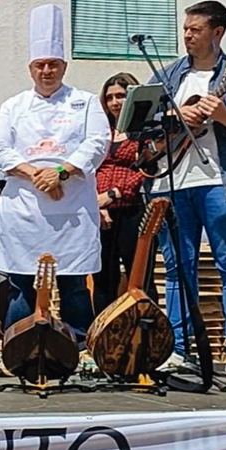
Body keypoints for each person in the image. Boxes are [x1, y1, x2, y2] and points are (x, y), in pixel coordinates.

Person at [150, 0, 226, 378]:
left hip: (224, 182)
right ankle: (178, 348)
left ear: (217, 32)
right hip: (172, 181)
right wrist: (172, 115)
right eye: (185, 28)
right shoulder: (168, 75)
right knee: (176, 268)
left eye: (196, 29)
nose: (187, 35)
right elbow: (138, 123)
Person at [0, 3, 109, 346]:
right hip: (25, 209)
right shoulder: (13, 106)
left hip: (72, 208)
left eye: (53, 64)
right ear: (30, 68)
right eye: (40, 65)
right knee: (21, 284)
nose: (47, 71)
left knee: (73, 285)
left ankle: (79, 347)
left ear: (64, 66)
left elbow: (98, 142)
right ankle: (17, 348)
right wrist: (37, 175)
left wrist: (61, 172)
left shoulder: (85, 102)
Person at [92, 72, 151, 312]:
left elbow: (147, 168)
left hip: (131, 210)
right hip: (101, 212)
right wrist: (98, 204)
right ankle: (103, 328)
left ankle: (144, 328)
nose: (115, 102)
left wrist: (115, 193)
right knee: (103, 278)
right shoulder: (100, 131)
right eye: (110, 97)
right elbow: (91, 168)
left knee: (139, 275)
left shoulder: (144, 131)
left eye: (121, 96)